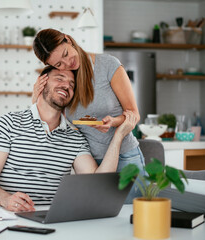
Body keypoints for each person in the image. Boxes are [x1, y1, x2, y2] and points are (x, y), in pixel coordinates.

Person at [0, 66, 137, 212]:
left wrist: (118, 135)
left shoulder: (74, 137)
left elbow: (98, 180)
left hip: (52, 218)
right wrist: (6, 200)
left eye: (72, 85)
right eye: (59, 78)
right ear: (41, 83)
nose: (67, 86)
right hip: (8, 214)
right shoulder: (8, 124)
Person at [32, 28, 145, 203]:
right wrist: (36, 97)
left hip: (125, 158)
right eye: (58, 64)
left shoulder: (108, 65)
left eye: (66, 54)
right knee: (99, 221)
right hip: (89, 164)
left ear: (68, 40)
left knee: (133, 219)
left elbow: (134, 114)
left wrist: (113, 122)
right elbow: (50, 118)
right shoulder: (66, 81)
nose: (67, 63)